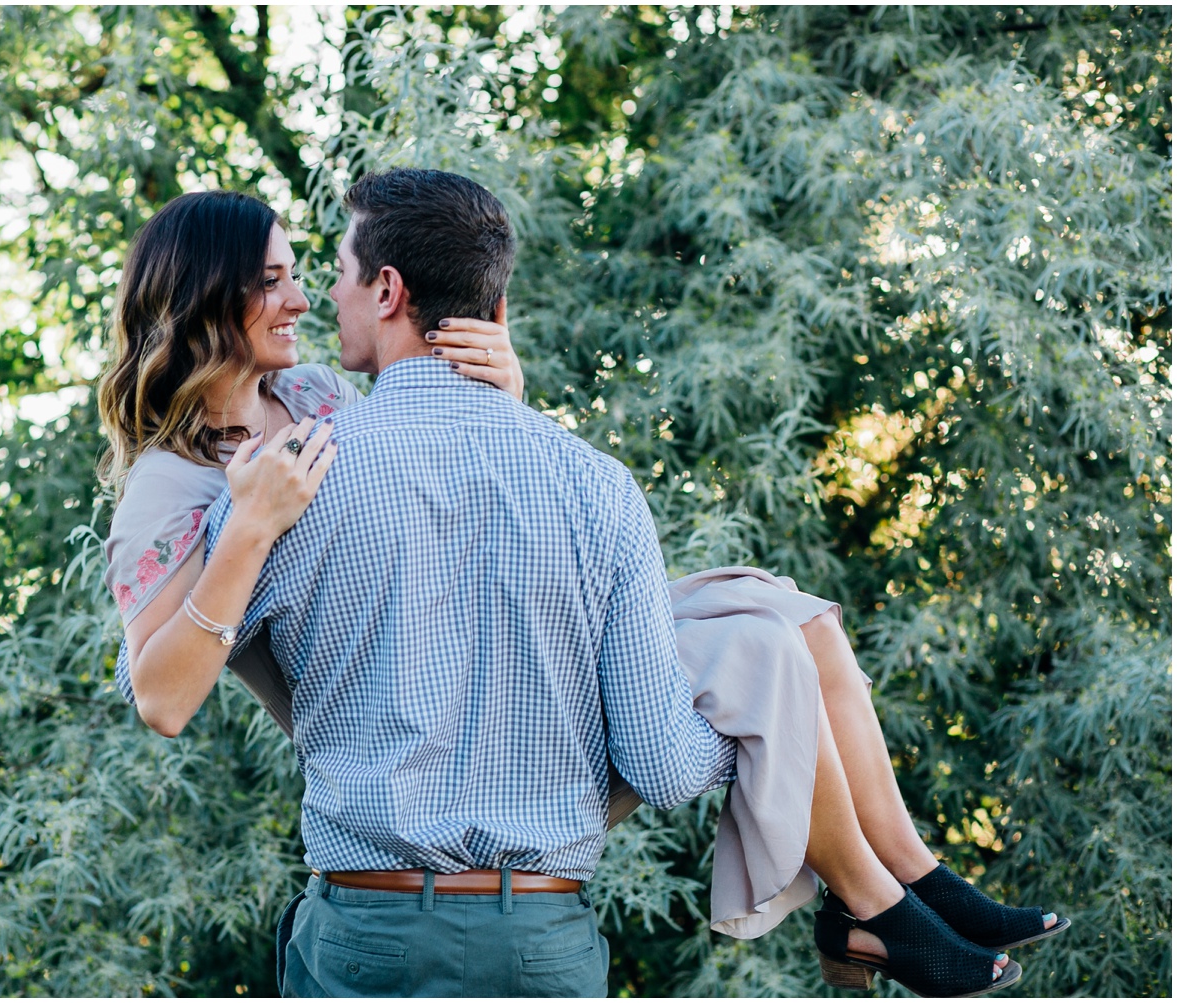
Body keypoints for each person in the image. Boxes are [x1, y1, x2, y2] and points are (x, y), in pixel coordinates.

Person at [98, 176, 1065, 997]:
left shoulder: (310, 410)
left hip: (392, 851)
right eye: (275, 282)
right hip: (489, 834)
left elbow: (433, 489)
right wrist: (255, 524)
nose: (307, 300)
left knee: (786, 619)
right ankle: (881, 906)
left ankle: (909, 881)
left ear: (386, 291)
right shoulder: (185, 486)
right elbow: (164, 695)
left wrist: (498, 406)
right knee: (762, 649)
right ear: (209, 299)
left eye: (317, 275)